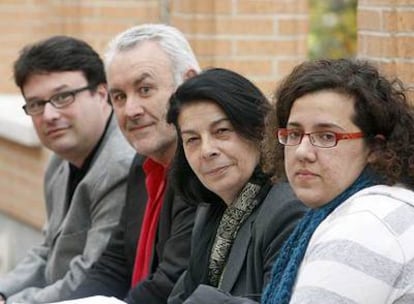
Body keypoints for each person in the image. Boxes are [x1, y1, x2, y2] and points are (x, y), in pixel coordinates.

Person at [260, 58, 414, 304]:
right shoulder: (384, 206)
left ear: (375, 147)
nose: (302, 152)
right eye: (294, 133)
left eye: (326, 136)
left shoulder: (363, 227)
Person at [66, 24, 200, 304]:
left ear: (188, 84)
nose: (131, 110)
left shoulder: (205, 168)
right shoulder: (143, 163)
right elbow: (113, 264)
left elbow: (172, 281)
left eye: (145, 89)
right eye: (119, 96)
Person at [0, 36, 135, 303]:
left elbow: (91, 275)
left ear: (101, 93)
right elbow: (47, 250)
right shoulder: (60, 160)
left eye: (63, 97)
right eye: (36, 104)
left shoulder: (121, 166)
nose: (49, 115)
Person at [166, 68, 307, 304]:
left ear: (259, 129)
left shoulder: (287, 209)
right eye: (192, 139)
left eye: (221, 131)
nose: (207, 150)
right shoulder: (209, 212)